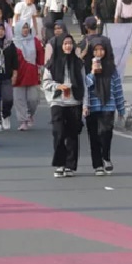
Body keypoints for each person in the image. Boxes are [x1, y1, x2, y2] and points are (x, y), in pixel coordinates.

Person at [42, 35, 88, 178]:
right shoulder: (51, 64)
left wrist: (86, 104)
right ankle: (60, 164)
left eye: (70, 44)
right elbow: (45, 84)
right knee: (59, 132)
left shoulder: (79, 63)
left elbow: (84, 85)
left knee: (73, 134)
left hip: (74, 102)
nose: (68, 46)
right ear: (60, 46)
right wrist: (58, 86)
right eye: (65, 43)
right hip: (58, 102)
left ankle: (70, 165)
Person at [85, 42, 126, 176]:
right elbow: (84, 86)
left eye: (102, 50)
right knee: (94, 136)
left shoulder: (112, 68)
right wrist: (92, 72)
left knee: (106, 133)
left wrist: (121, 108)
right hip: (92, 106)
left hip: (108, 105)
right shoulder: (85, 67)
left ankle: (106, 157)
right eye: (96, 50)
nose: (99, 53)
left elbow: (118, 88)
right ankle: (97, 165)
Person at [12, 21, 44, 131]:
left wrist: (41, 68)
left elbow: (40, 55)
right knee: (19, 99)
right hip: (17, 74)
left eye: (27, 28)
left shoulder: (34, 41)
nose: (25, 30)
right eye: (23, 28)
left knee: (33, 99)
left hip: (32, 73)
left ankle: (30, 114)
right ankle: (23, 121)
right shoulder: (13, 42)